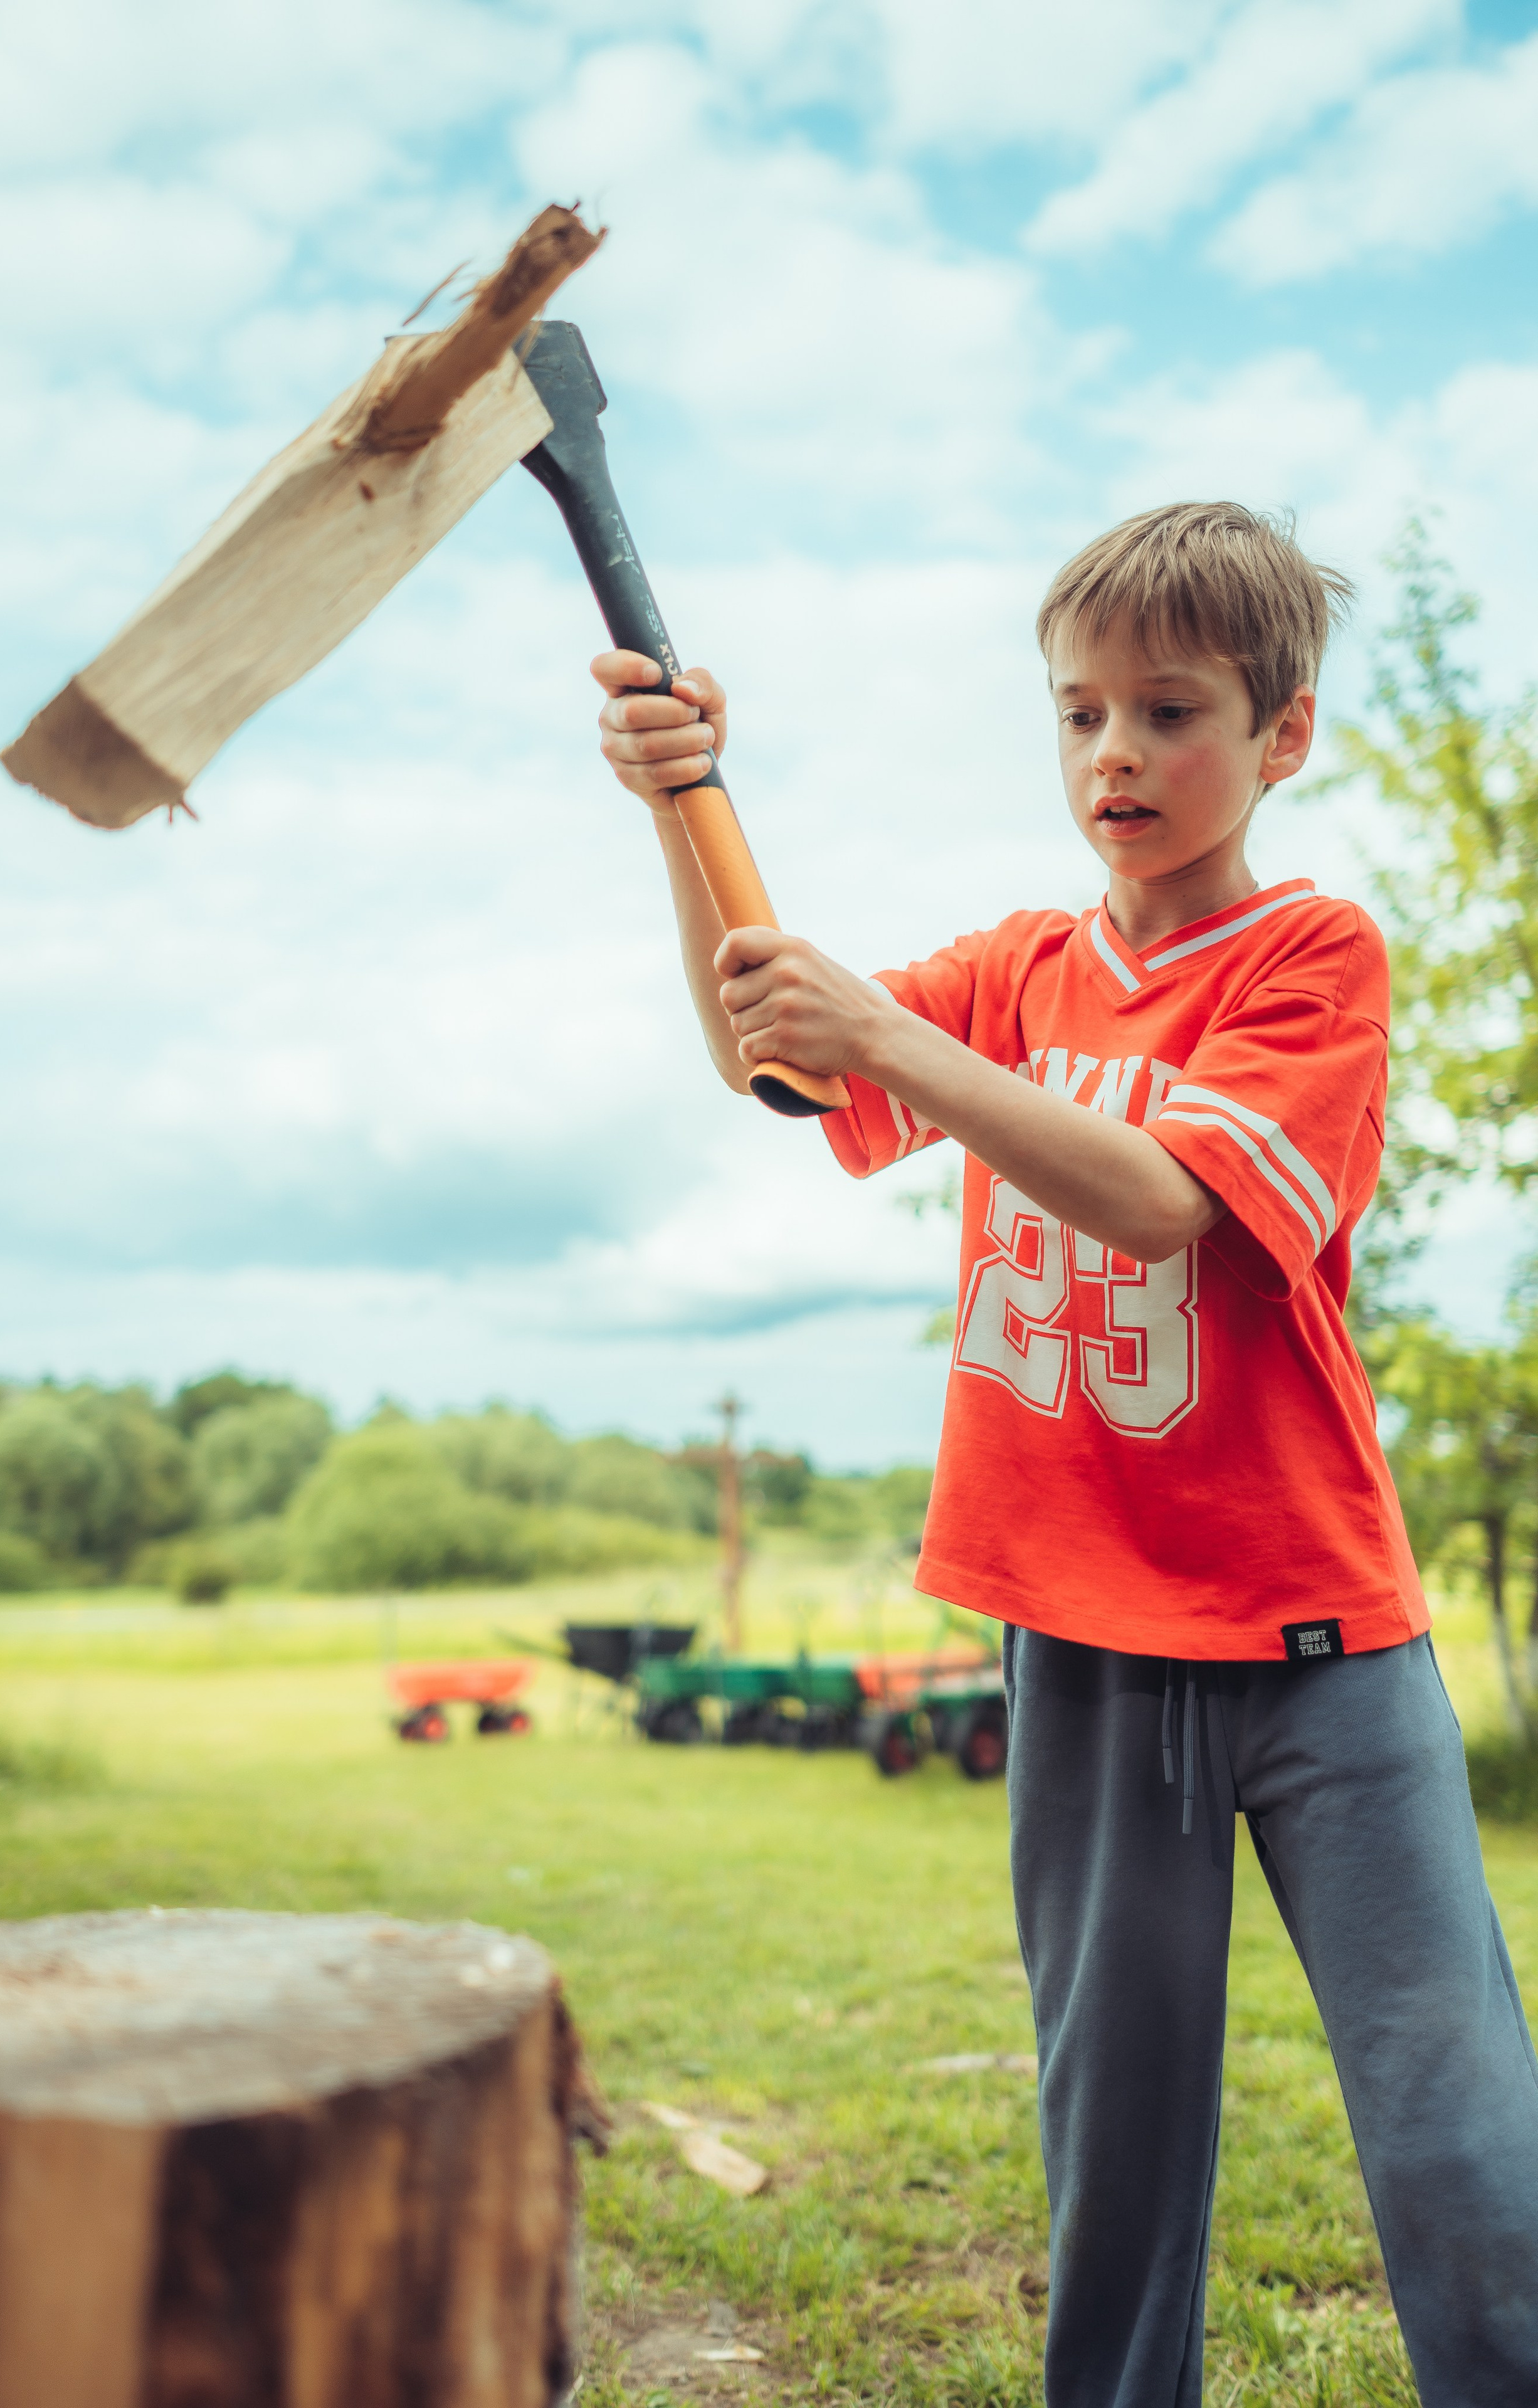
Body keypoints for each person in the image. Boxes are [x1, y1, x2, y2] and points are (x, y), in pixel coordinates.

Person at [588, 500, 1538, 2408]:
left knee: (1459, 2121)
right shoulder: (1020, 971)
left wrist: (898, 1044)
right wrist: (685, 810)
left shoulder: (1313, 958)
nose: (1118, 753)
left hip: (1319, 1643)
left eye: (1171, 711)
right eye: (1082, 713)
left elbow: (1164, 1198)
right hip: (1085, 1642)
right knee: (1114, 2134)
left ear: (1282, 734)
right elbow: (777, 1055)